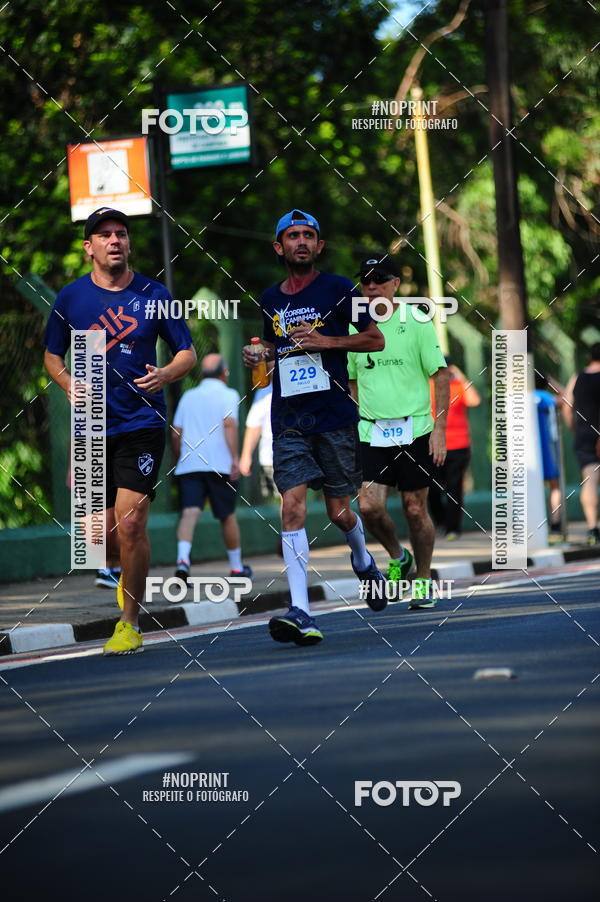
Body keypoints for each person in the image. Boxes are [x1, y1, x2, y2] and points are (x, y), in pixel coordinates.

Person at [44, 207, 196, 655]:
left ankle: (129, 623)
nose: (115, 240)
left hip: (141, 421)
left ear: (129, 244)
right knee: (99, 534)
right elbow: (52, 356)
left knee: (131, 522)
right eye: (104, 235)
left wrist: (166, 374)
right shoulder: (71, 299)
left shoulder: (155, 293)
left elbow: (186, 351)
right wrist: (69, 382)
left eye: (122, 234)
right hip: (92, 424)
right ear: (89, 247)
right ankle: (125, 578)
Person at [243, 209, 386, 646]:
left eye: (308, 235)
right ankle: (301, 609)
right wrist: (260, 355)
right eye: (293, 236)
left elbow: (375, 338)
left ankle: (363, 560)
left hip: (335, 416)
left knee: (339, 511)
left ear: (319, 246)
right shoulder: (270, 298)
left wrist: (328, 341)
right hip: (288, 419)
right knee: (292, 507)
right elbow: (272, 347)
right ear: (279, 247)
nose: (301, 242)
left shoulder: (340, 288)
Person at [347, 252, 449, 609]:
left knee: (415, 509)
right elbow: (352, 380)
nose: (372, 287)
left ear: (395, 285)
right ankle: (397, 556)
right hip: (371, 431)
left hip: (416, 429)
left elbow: (440, 374)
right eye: (366, 281)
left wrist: (439, 428)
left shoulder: (416, 320)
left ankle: (422, 579)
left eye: (379, 280)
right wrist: (356, 417)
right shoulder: (353, 326)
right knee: (370, 508)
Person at [172, 353, 252, 582]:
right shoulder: (229, 394)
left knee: (190, 512)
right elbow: (229, 425)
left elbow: (176, 432)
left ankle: (183, 561)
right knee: (227, 516)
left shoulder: (188, 396)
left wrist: (182, 456)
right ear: (224, 373)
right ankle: (237, 568)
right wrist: (235, 458)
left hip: (190, 465)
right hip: (220, 465)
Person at [428, 357, 481, 541]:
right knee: (431, 488)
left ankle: (453, 528)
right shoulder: (427, 386)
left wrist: (460, 374)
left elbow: (474, 400)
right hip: (433, 445)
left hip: (459, 446)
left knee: (454, 488)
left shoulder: (459, 386)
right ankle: (440, 522)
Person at [564, 343, 600, 545]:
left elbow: (568, 407)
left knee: (589, 480)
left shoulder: (577, 377)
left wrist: (575, 429)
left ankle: (593, 529)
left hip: (585, 434)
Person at [534, 371, 564, 540]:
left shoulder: (519, 398)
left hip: (524, 450)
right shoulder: (545, 397)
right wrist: (551, 380)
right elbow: (566, 397)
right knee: (554, 485)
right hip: (546, 446)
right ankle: (555, 522)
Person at [239, 369, 275, 500]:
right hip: (272, 457)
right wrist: (246, 456)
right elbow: (254, 425)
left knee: (291, 498)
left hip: (305, 453)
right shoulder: (265, 390)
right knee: (288, 498)